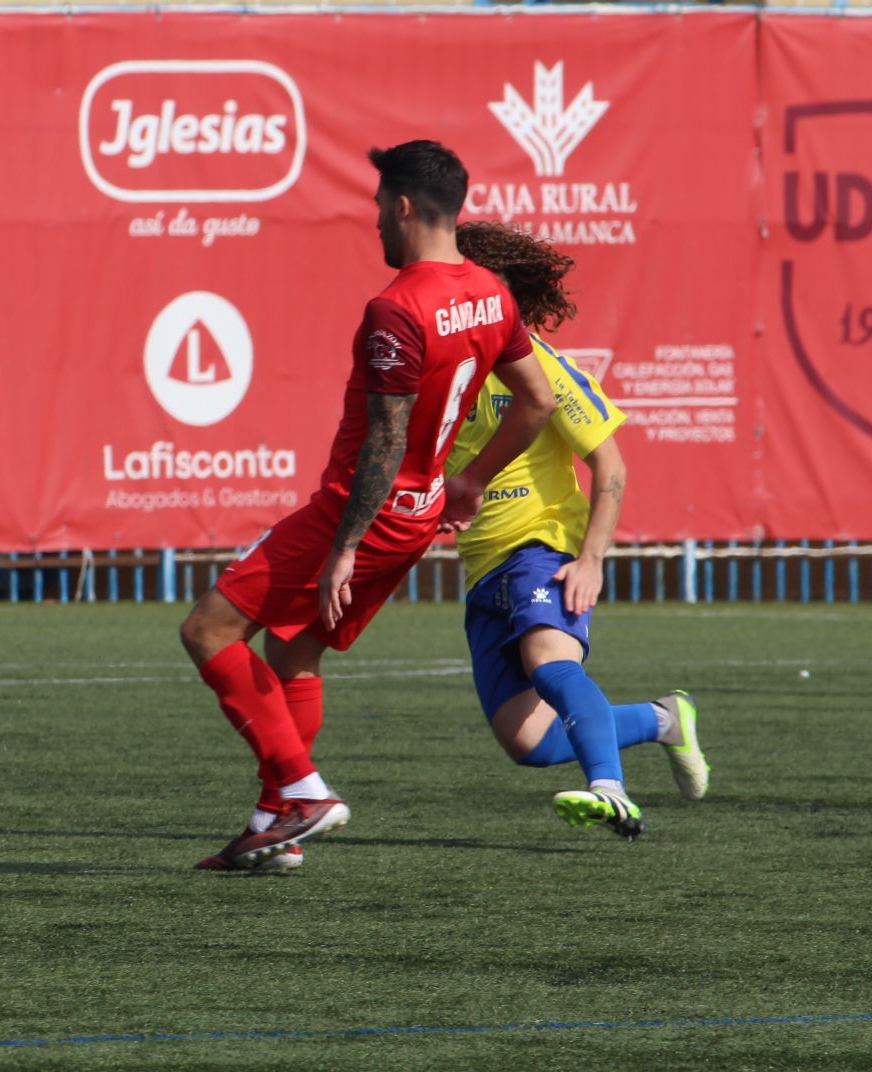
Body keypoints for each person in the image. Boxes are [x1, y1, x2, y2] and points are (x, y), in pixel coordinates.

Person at [181, 140, 556, 873]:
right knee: (295, 650)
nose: (376, 219)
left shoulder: (398, 306)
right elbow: (536, 402)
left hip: (362, 512)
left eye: (380, 205)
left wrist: (345, 544)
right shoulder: (489, 292)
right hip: (416, 518)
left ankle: (304, 791)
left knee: (207, 630)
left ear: (406, 206)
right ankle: (272, 822)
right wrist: (470, 482)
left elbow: (384, 440)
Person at [441, 222, 709, 841]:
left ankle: (610, 790)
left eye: (488, 292)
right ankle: (664, 719)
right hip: (482, 570)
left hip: (543, 548)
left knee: (549, 662)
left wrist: (591, 559)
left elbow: (609, 465)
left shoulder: (542, 368)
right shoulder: (444, 372)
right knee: (528, 744)